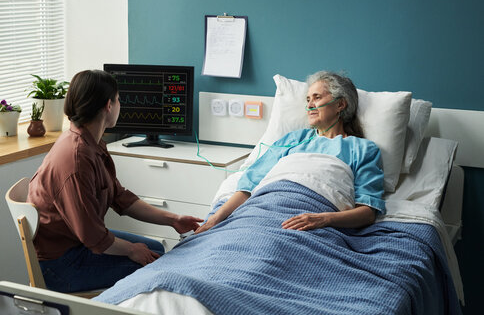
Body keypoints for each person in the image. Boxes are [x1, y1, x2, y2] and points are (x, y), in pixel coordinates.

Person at [27, 70, 203, 293]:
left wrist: (173, 219)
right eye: (119, 100)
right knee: (156, 266)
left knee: (155, 248)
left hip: (77, 245)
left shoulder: (91, 142)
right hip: (61, 265)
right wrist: (131, 250)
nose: (121, 105)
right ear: (108, 106)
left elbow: (120, 197)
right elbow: (92, 236)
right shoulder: (76, 159)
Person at [195, 71, 385, 235]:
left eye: (317, 98)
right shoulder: (293, 140)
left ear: (340, 104)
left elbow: (367, 213)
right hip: (264, 208)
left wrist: (323, 219)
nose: (310, 105)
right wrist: (215, 220)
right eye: (308, 99)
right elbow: (247, 187)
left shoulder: (361, 149)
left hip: (314, 214)